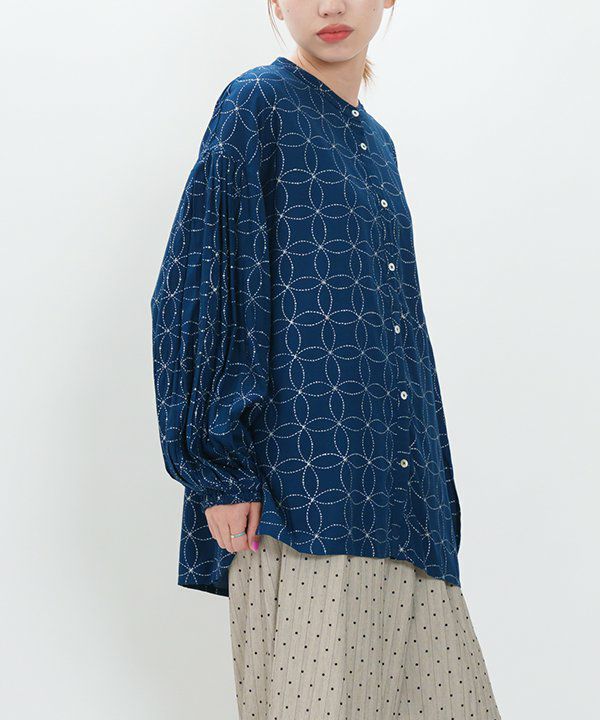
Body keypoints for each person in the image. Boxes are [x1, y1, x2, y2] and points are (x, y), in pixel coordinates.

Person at [150, 1, 502, 718]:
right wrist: (219, 471)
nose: (332, 6)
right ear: (276, 3)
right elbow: (201, 281)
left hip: (406, 505)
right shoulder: (258, 104)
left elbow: (397, 327)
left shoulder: (378, 143)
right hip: (305, 494)